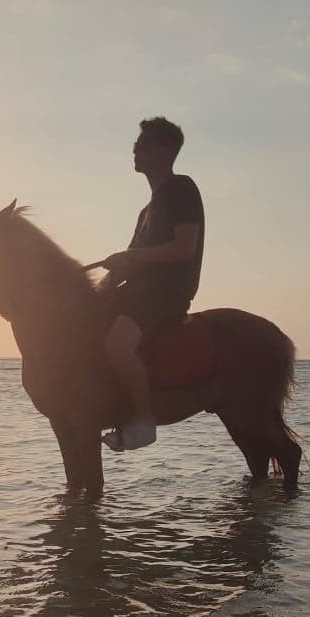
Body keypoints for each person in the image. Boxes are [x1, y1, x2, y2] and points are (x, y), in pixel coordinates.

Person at [99, 117, 205, 451]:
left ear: (166, 151)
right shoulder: (146, 210)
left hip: (165, 295)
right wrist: (96, 290)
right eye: (136, 143)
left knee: (118, 345)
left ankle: (144, 422)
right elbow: (130, 262)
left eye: (143, 143)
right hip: (137, 293)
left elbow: (184, 247)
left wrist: (131, 257)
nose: (135, 148)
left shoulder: (181, 188)